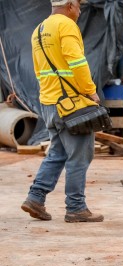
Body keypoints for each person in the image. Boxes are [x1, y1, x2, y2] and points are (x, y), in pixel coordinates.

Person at [22, 0, 103, 223]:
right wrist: (90, 91)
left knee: (58, 153)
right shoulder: (66, 26)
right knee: (80, 156)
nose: (79, 11)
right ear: (69, 6)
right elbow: (77, 62)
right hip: (72, 104)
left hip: (49, 103)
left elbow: (38, 70)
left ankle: (35, 197)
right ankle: (76, 207)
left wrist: (50, 95)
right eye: (78, 6)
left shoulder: (39, 30)